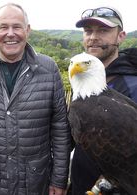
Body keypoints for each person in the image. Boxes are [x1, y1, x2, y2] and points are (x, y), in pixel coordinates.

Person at [0, 3, 71, 195]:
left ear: (27, 30)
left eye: (17, 26)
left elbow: (60, 129)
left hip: (35, 182)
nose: (10, 33)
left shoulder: (49, 69)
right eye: (3, 27)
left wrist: (59, 179)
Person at [69, 6, 137, 195]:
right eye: (88, 31)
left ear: (121, 36)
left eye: (103, 30)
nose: (93, 37)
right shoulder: (82, 86)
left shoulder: (133, 85)